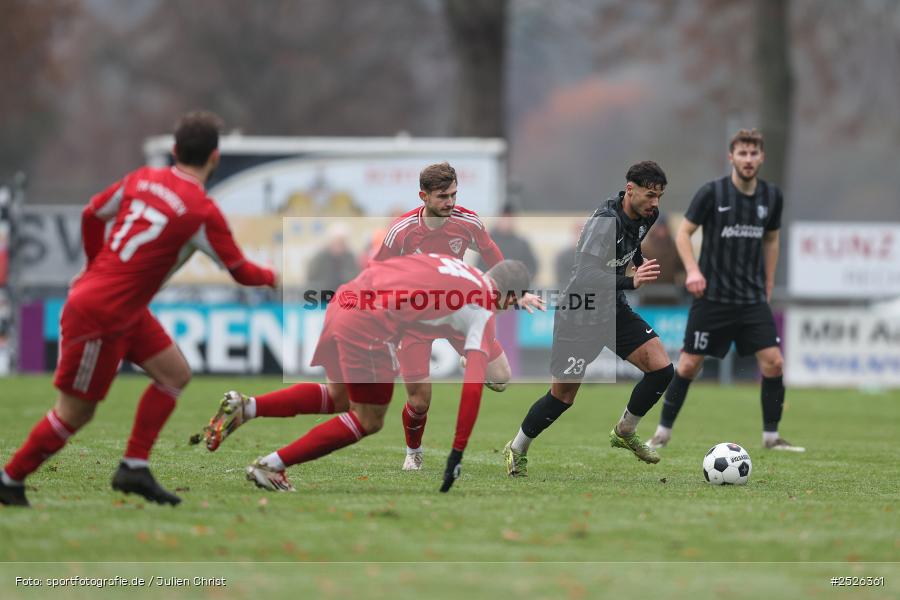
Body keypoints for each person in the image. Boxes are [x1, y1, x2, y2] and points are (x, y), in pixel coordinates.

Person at [0, 111, 277, 507]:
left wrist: (96, 265)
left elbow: (92, 213)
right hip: (103, 313)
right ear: (214, 158)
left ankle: (134, 466)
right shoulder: (201, 210)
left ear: (174, 150)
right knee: (74, 414)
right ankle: (9, 478)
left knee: (174, 374)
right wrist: (275, 276)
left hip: (123, 308)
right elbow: (242, 272)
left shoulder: (142, 178)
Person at [195, 254, 531, 493]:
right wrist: (457, 452)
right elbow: (473, 386)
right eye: (513, 303)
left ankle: (247, 407)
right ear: (510, 296)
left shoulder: (459, 267)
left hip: (345, 298)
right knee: (369, 419)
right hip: (370, 323)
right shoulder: (482, 308)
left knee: (340, 396)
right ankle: (272, 465)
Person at [502, 161, 675, 476]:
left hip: (613, 309)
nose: (655, 203)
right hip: (579, 315)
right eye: (650, 195)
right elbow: (586, 274)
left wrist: (639, 261)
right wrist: (632, 281)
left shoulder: (649, 216)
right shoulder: (603, 223)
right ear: (630, 189)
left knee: (662, 369)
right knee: (562, 398)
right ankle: (517, 448)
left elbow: (632, 244)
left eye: (659, 196)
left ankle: (624, 431)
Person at [647, 129, 803, 452]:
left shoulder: (772, 197)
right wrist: (692, 270)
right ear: (731, 157)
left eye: (753, 153)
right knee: (689, 365)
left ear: (762, 158)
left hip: (751, 298)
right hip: (712, 297)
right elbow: (683, 234)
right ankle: (662, 432)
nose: (748, 159)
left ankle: (771, 437)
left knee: (774, 362)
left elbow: (772, 239)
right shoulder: (712, 194)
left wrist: (769, 281)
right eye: (742, 154)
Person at [306, 223, 359, 292]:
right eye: (336, 241)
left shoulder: (350, 258)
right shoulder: (320, 257)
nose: (339, 245)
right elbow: (311, 276)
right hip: (322, 295)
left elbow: (355, 277)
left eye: (341, 242)